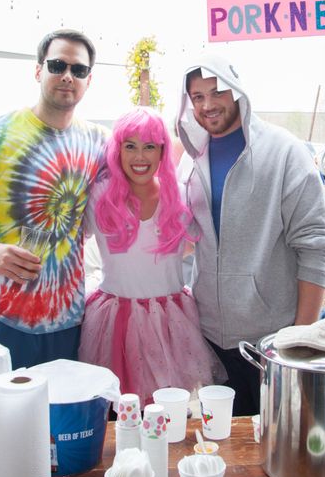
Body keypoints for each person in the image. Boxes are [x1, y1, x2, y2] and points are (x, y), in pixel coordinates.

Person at [0, 29, 106, 371]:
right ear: (38, 71)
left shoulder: (99, 142)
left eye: (78, 70)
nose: (67, 76)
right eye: (57, 65)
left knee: (58, 425)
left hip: (66, 323)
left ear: (88, 80)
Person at [177, 55, 325, 417]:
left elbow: (316, 248)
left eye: (216, 92)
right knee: (228, 444)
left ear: (237, 90)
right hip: (212, 339)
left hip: (273, 341)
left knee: (280, 446)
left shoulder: (285, 152)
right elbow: (187, 241)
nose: (208, 105)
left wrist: (299, 338)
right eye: (197, 97)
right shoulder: (191, 160)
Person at [79, 109, 224, 404]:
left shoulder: (180, 198)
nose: (139, 156)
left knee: (169, 406)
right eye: (129, 146)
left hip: (170, 322)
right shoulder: (99, 196)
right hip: (114, 321)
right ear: (117, 151)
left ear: (162, 151)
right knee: (120, 407)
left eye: (149, 146)